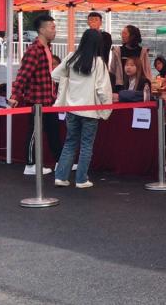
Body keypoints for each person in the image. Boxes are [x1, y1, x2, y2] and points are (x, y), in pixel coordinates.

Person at [51, 29, 113, 189]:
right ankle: (81, 179)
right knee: (86, 145)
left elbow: (55, 75)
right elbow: (102, 89)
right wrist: (107, 108)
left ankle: (61, 177)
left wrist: (69, 81)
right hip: (90, 110)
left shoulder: (72, 57)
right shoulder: (98, 62)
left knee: (70, 142)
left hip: (72, 109)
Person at [9, 15, 64, 175]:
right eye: (52, 27)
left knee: (53, 130)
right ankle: (30, 164)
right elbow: (23, 74)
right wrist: (15, 95)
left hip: (48, 98)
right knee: (34, 132)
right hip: (37, 100)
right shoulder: (34, 50)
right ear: (41, 30)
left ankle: (61, 161)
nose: (54, 30)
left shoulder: (47, 48)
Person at [109, 24, 151, 92]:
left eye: (125, 33)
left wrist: (148, 86)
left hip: (138, 87)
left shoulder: (143, 52)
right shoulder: (118, 51)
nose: (122, 35)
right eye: (122, 33)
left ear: (132, 36)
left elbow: (147, 71)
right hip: (120, 86)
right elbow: (112, 70)